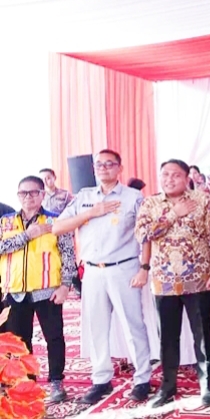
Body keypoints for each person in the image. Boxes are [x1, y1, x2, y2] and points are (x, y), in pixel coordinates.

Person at [52, 149, 152, 405]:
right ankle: (101, 380)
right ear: (94, 169)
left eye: (110, 164)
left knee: (133, 325)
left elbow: (146, 236)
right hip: (93, 271)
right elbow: (58, 227)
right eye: (99, 164)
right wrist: (90, 213)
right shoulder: (84, 197)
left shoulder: (133, 197)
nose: (104, 168)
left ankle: (142, 379)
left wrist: (144, 267)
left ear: (120, 168)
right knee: (96, 327)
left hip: (124, 268)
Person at [135, 159, 210, 408]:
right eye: (165, 174)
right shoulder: (150, 203)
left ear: (187, 178)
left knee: (202, 335)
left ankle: (206, 384)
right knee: (167, 337)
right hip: (163, 281)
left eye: (176, 175)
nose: (169, 179)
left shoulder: (203, 200)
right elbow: (142, 234)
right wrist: (173, 214)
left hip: (198, 279)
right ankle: (168, 386)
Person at [0, 175, 76, 403]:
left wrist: (66, 285)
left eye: (33, 192)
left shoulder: (55, 221)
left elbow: (68, 254)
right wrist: (27, 235)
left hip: (47, 290)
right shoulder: (6, 222)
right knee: (19, 341)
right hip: (15, 291)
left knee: (54, 338)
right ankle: (27, 382)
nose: (28, 197)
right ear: (17, 196)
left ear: (43, 194)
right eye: (23, 193)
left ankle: (56, 382)